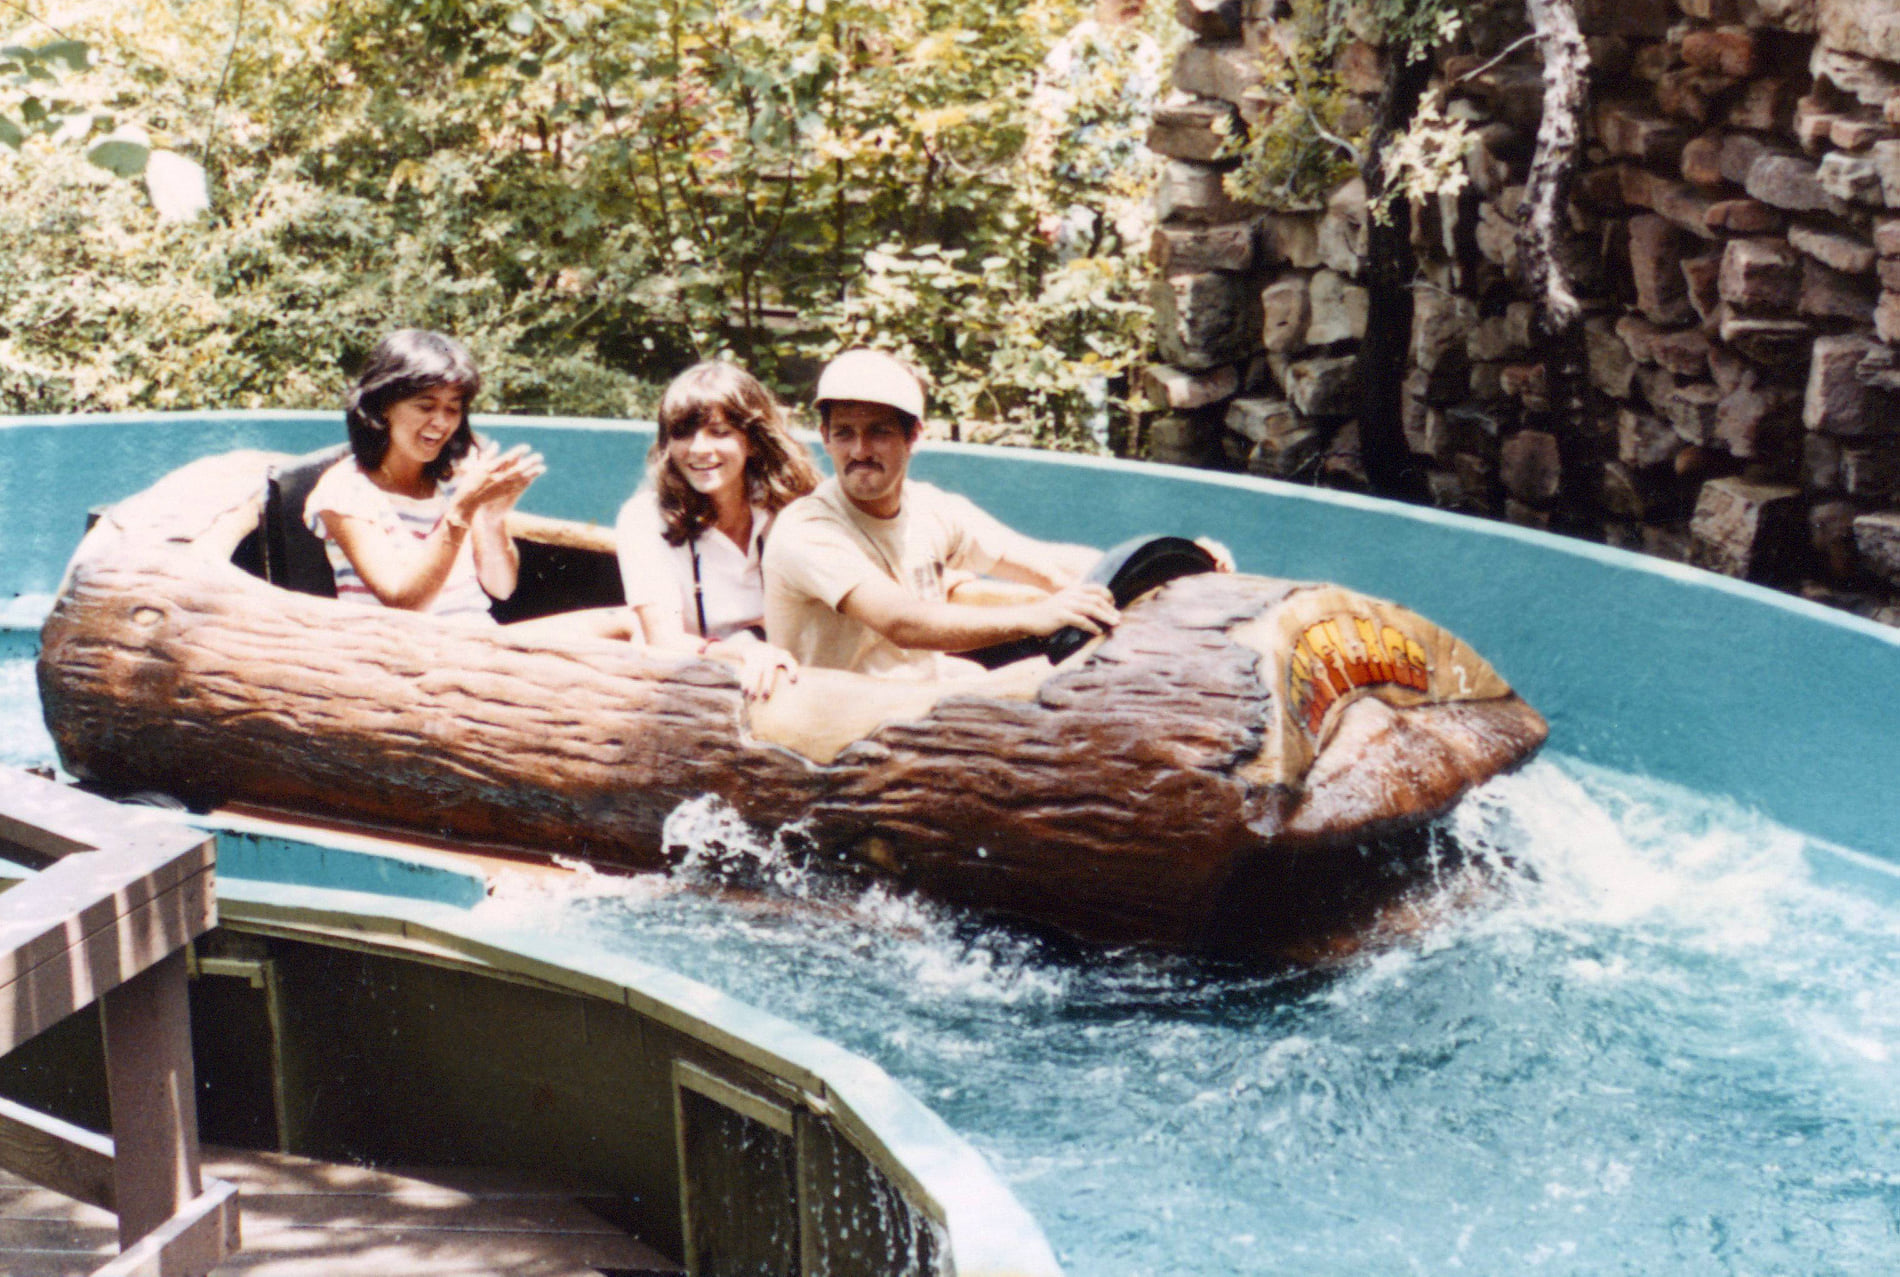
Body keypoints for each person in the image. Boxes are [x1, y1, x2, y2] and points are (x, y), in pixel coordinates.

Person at [762, 348, 1122, 680]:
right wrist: (1035, 617)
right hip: (834, 718)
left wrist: (1128, 578)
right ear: (825, 437)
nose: (860, 450)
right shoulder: (808, 529)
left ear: (914, 436)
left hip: (915, 705)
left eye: (879, 432)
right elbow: (902, 622)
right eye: (844, 433)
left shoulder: (931, 508)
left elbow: (1043, 563)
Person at [307, 329, 630, 638]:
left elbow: (501, 587)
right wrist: (461, 510)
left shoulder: (455, 477)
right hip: (407, 653)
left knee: (628, 623)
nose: (441, 422)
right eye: (425, 406)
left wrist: (491, 518)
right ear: (382, 406)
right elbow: (404, 603)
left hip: (478, 641)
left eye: (453, 408)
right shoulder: (346, 489)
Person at [615, 361, 821, 699]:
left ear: (753, 441)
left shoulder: (791, 509)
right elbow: (664, 642)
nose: (698, 448)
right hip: (688, 690)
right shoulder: (645, 518)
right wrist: (745, 653)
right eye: (683, 433)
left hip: (792, 683)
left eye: (719, 432)